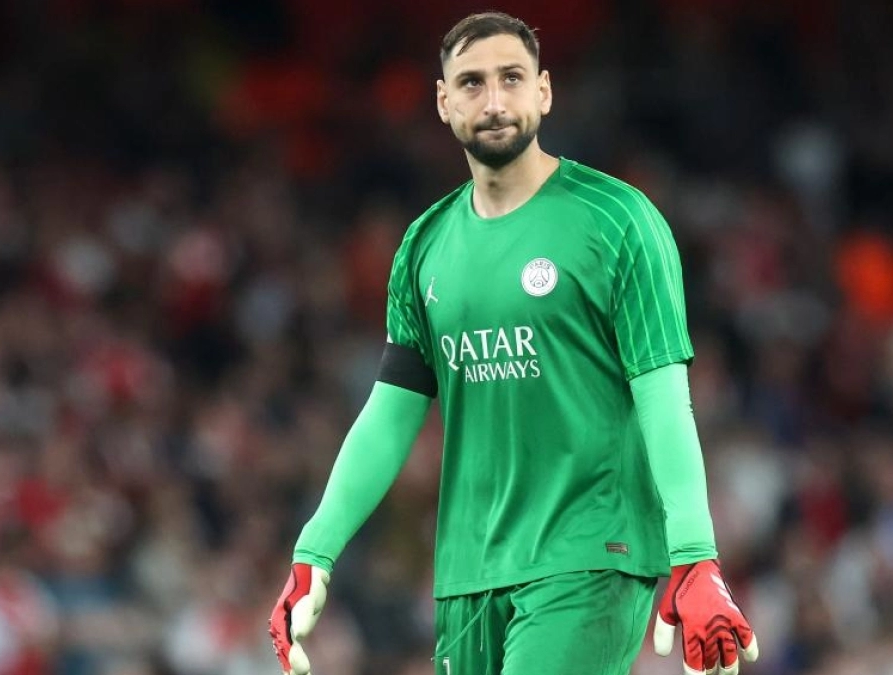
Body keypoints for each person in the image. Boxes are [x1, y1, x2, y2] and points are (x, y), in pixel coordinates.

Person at [269, 11, 759, 675]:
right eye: (471, 83)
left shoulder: (620, 221)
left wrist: (695, 552)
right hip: (468, 569)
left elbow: (665, 399)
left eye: (511, 78)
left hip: (590, 552)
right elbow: (389, 414)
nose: (494, 100)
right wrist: (314, 550)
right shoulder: (425, 245)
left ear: (545, 91)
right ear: (444, 102)